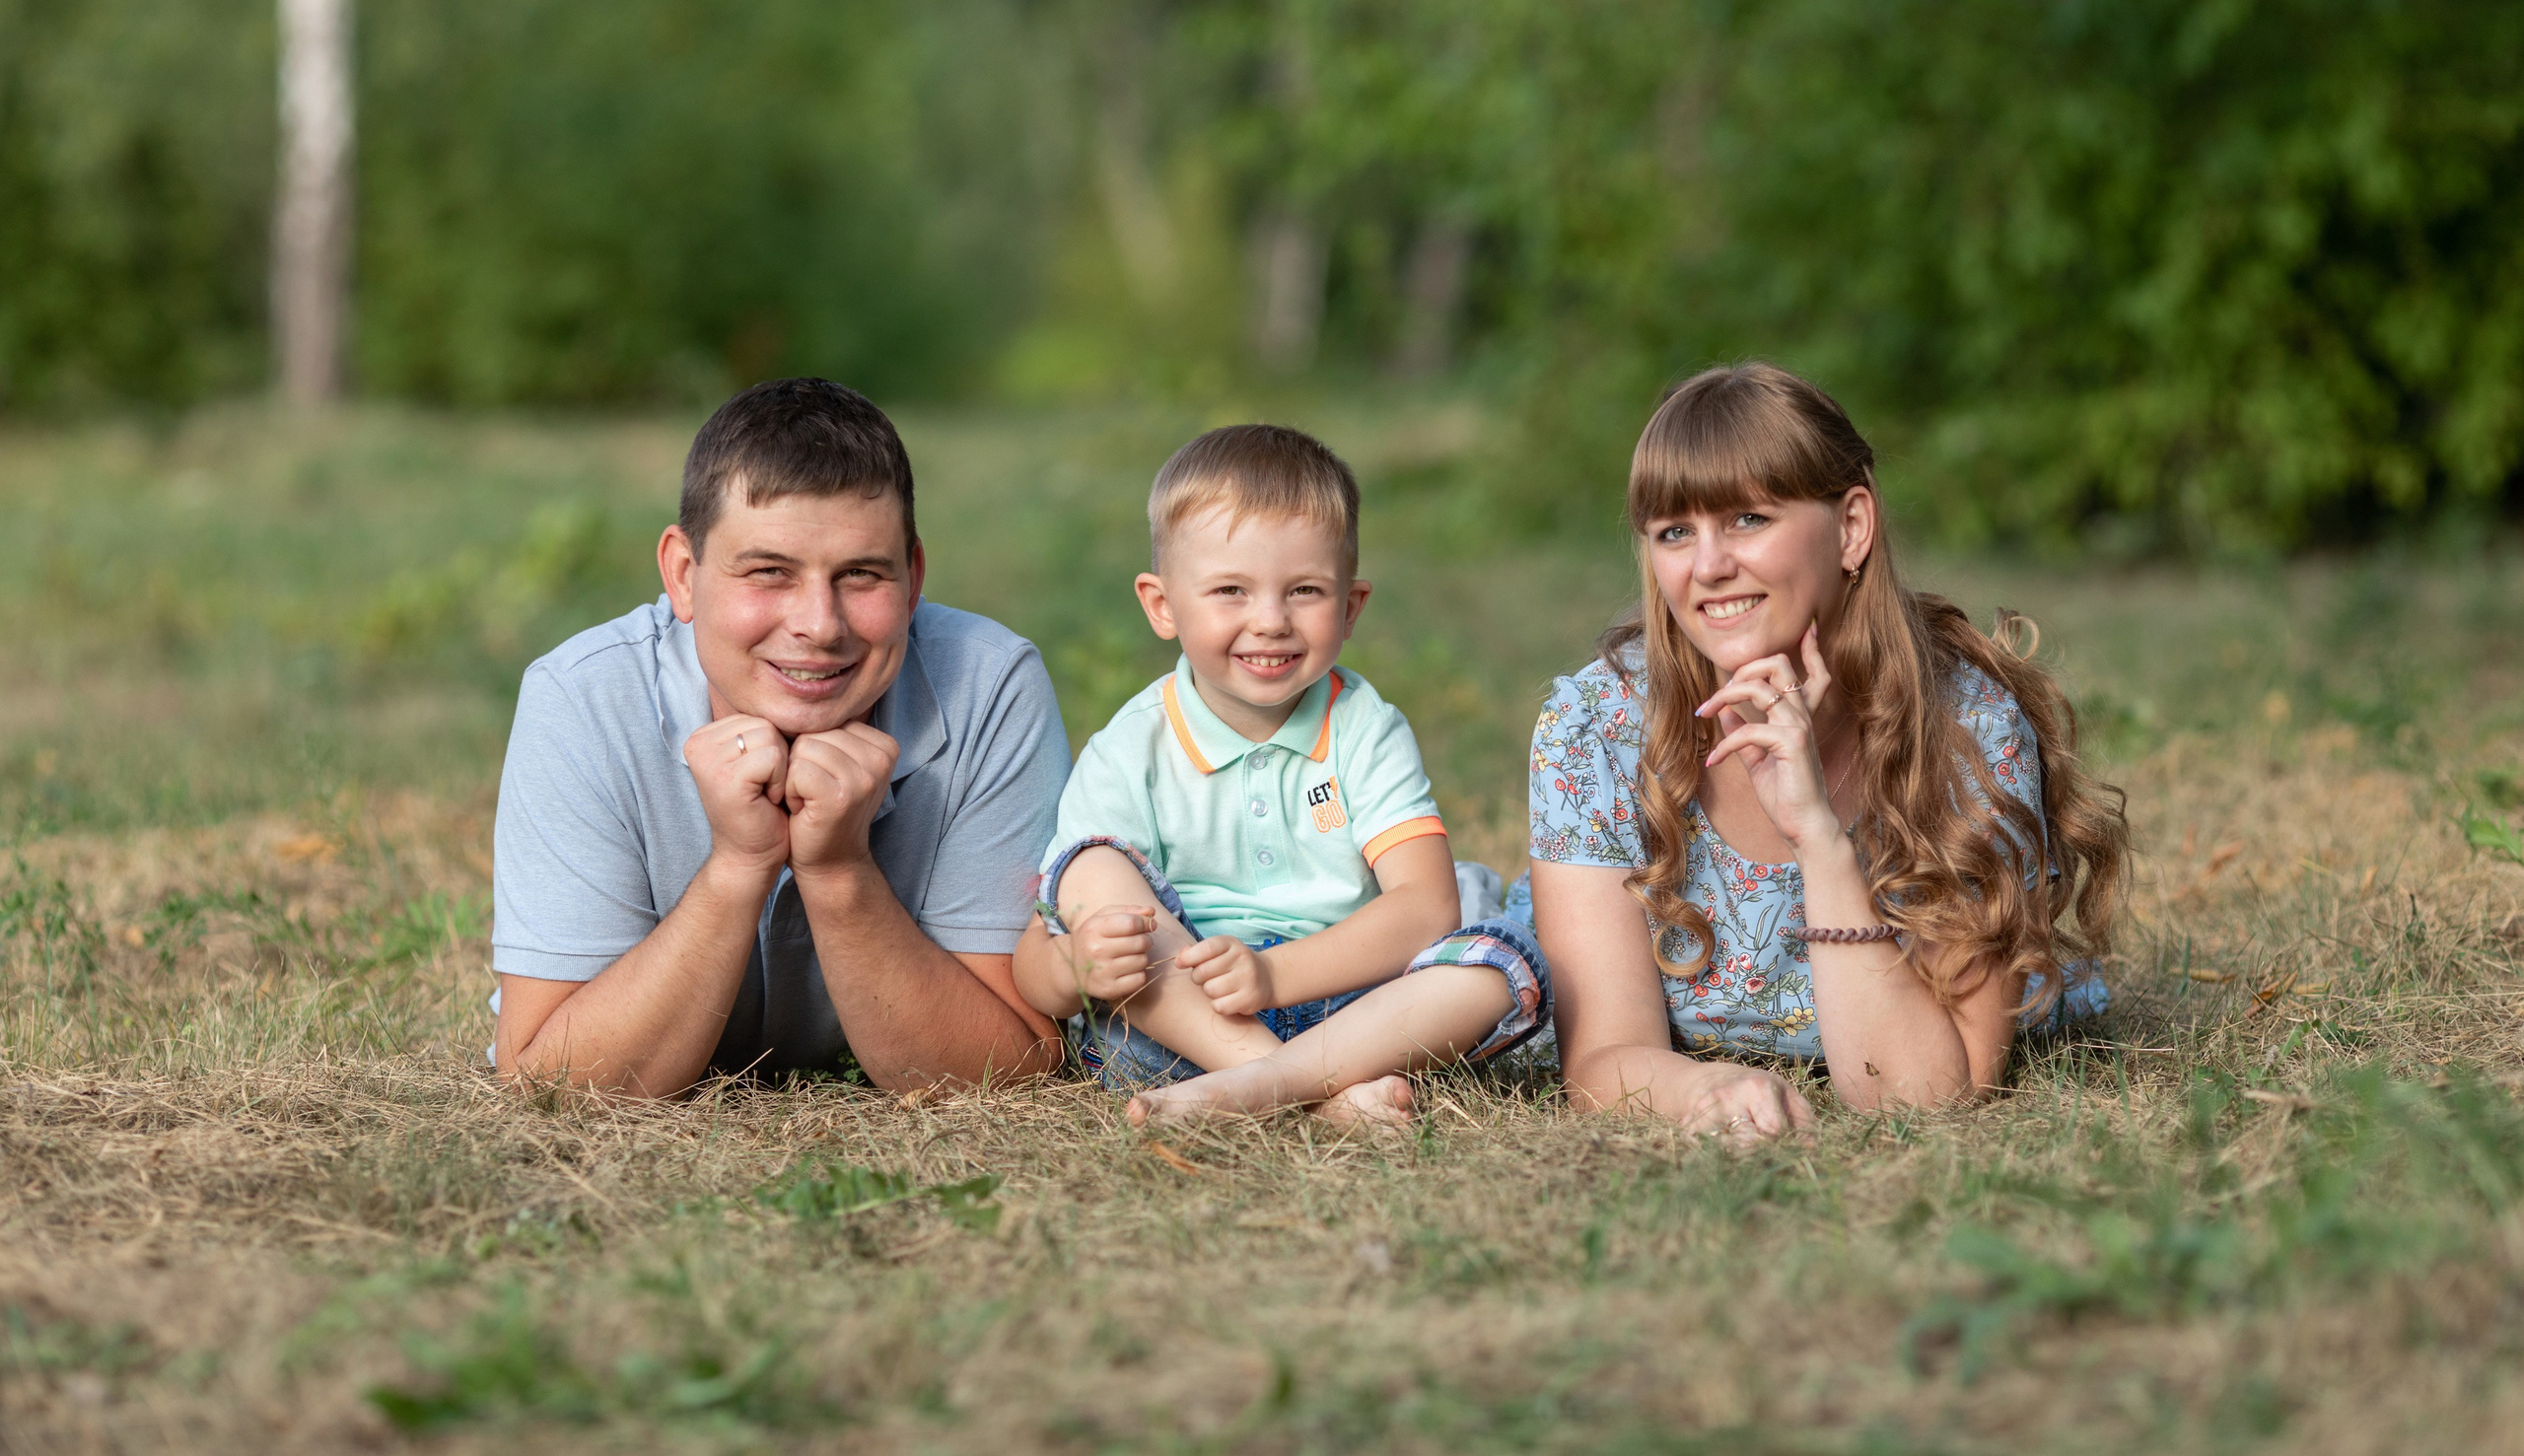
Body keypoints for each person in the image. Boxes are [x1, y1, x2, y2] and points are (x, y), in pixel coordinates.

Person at [1523, 363, 2127, 1138]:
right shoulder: (1597, 731)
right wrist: (1706, 1087)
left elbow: (1930, 1096)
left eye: (1747, 519)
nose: (1708, 567)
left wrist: (1818, 839)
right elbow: (1605, 1055)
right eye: (1675, 532)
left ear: (1851, 528)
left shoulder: (1966, 731)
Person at [490, 379, 1070, 1096]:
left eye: (861, 574)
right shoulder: (583, 698)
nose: (819, 624)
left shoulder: (990, 686)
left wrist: (840, 872)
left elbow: (1015, 1066)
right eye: (769, 572)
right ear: (683, 574)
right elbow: (546, 1081)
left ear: (913, 578)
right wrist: (739, 865)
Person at [1012, 425, 1548, 1126]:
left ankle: (1264, 1087)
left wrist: (1272, 975)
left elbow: (1426, 907)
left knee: (1506, 962)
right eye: (1230, 590)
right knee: (1089, 866)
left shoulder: (1364, 727)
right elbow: (1036, 954)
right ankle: (1311, 1092)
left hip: (1356, 1009)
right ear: (1162, 604)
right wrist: (1075, 968)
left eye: (1304, 590)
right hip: (1183, 1025)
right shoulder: (1129, 749)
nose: (1269, 621)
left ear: (1349, 608)